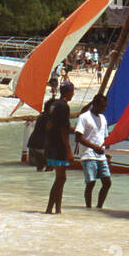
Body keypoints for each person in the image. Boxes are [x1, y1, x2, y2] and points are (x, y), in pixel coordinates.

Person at [75, 93, 111, 209]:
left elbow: (105, 137)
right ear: (94, 104)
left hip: (101, 156)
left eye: (105, 106)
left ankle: (99, 207)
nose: (103, 109)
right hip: (88, 155)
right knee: (91, 183)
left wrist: (108, 153)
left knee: (107, 182)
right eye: (101, 106)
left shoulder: (103, 119)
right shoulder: (84, 117)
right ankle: (88, 207)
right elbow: (78, 137)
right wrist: (94, 147)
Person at [43, 80, 75, 214]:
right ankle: (50, 208)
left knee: (61, 178)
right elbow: (63, 129)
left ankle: (58, 209)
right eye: (72, 90)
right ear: (68, 92)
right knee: (61, 178)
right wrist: (69, 150)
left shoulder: (54, 105)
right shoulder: (64, 107)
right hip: (59, 146)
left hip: (52, 144)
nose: (73, 93)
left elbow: (50, 124)